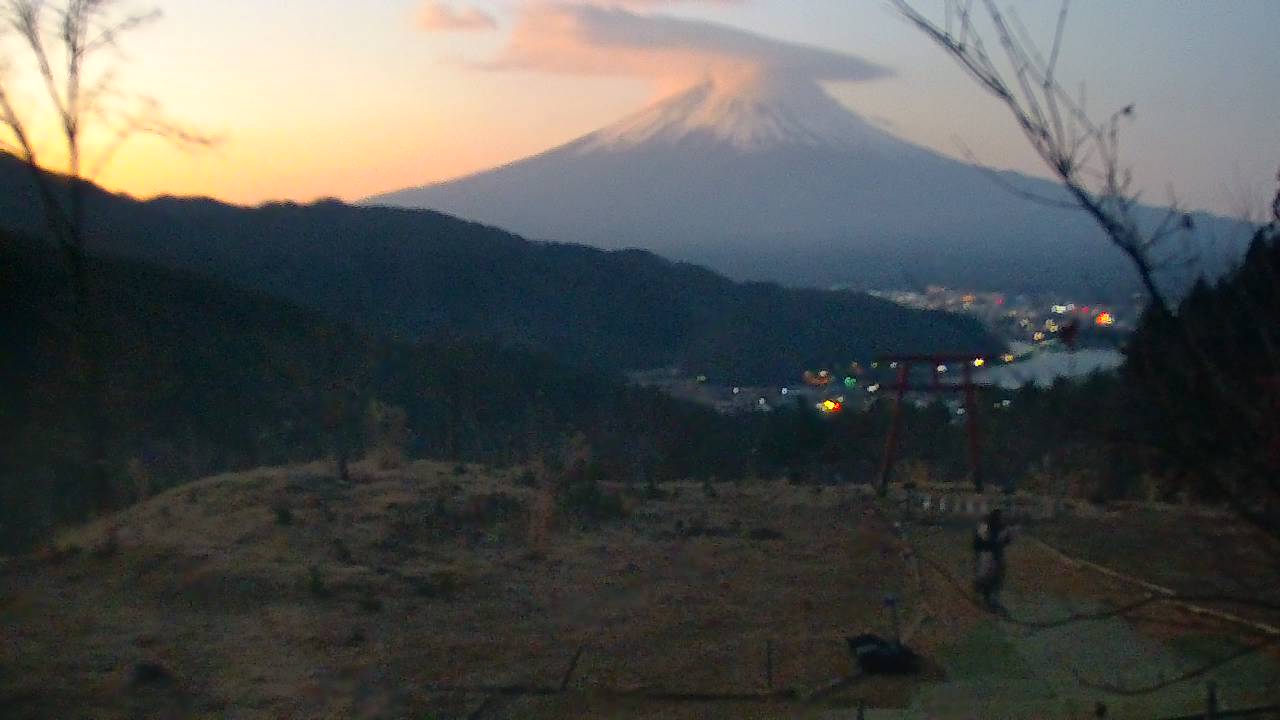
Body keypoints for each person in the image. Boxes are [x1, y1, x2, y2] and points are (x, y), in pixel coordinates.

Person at [973, 508, 1012, 612]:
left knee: (996, 574)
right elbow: (983, 541)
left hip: (993, 553)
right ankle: (985, 595)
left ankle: (989, 596)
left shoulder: (1001, 528)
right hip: (986, 553)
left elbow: (1006, 540)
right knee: (986, 574)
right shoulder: (985, 527)